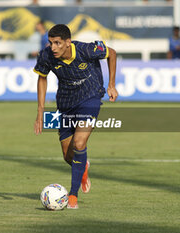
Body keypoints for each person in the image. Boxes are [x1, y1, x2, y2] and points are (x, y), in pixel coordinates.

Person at [33, 24, 118, 209]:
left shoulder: (86, 49)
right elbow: (42, 78)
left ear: (68, 42)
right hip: (65, 104)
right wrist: (40, 112)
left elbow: (112, 53)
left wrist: (111, 84)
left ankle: (73, 196)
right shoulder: (46, 55)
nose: (53, 47)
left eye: (57, 43)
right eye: (50, 43)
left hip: (90, 98)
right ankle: (83, 167)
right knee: (67, 155)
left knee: (79, 143)